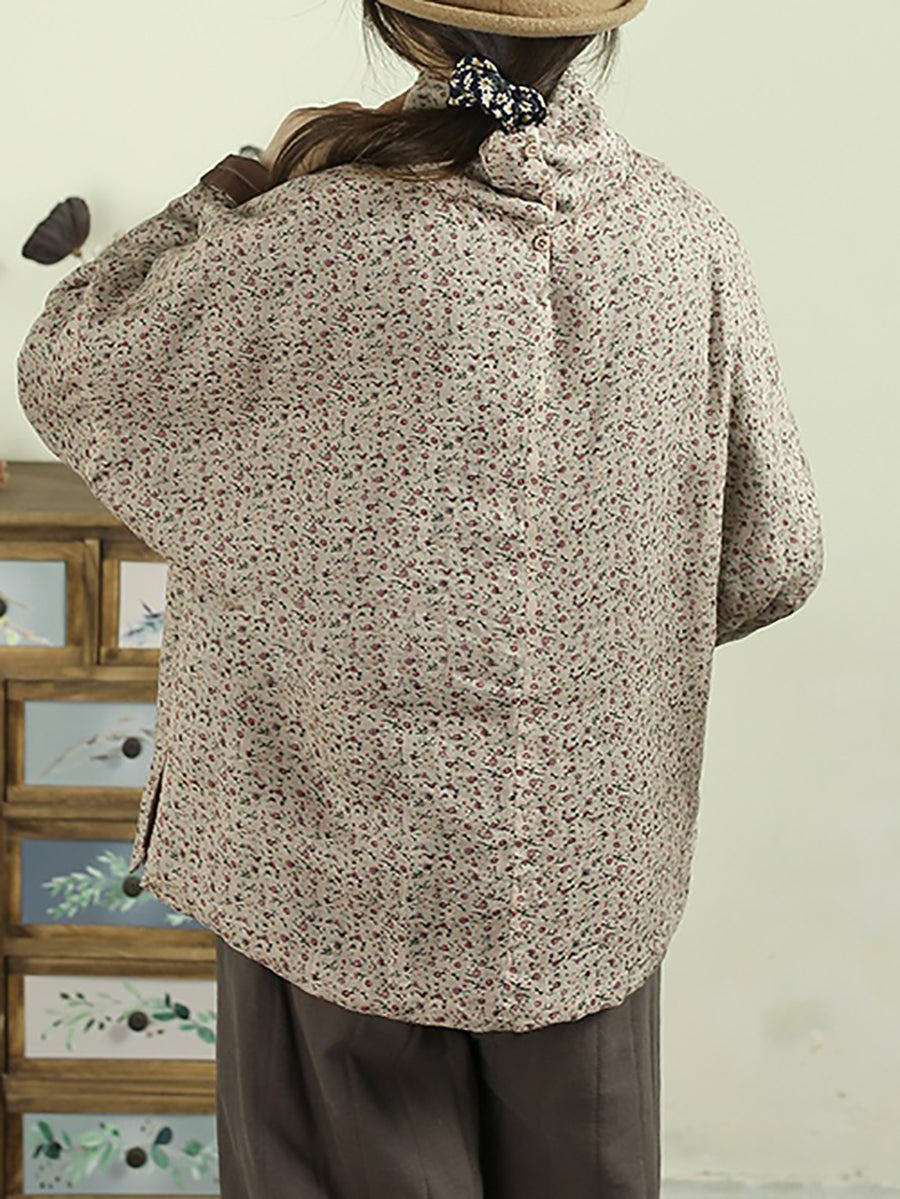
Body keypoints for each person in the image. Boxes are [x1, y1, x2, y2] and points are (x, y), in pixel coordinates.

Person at [16, 0, 825, 1194]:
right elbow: (775, 554)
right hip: (582, 893)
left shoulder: (307, 236)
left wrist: (233, 187)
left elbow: (71, 363)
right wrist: (587, 634)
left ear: (397, 21)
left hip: (331, 876)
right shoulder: (689, 239)